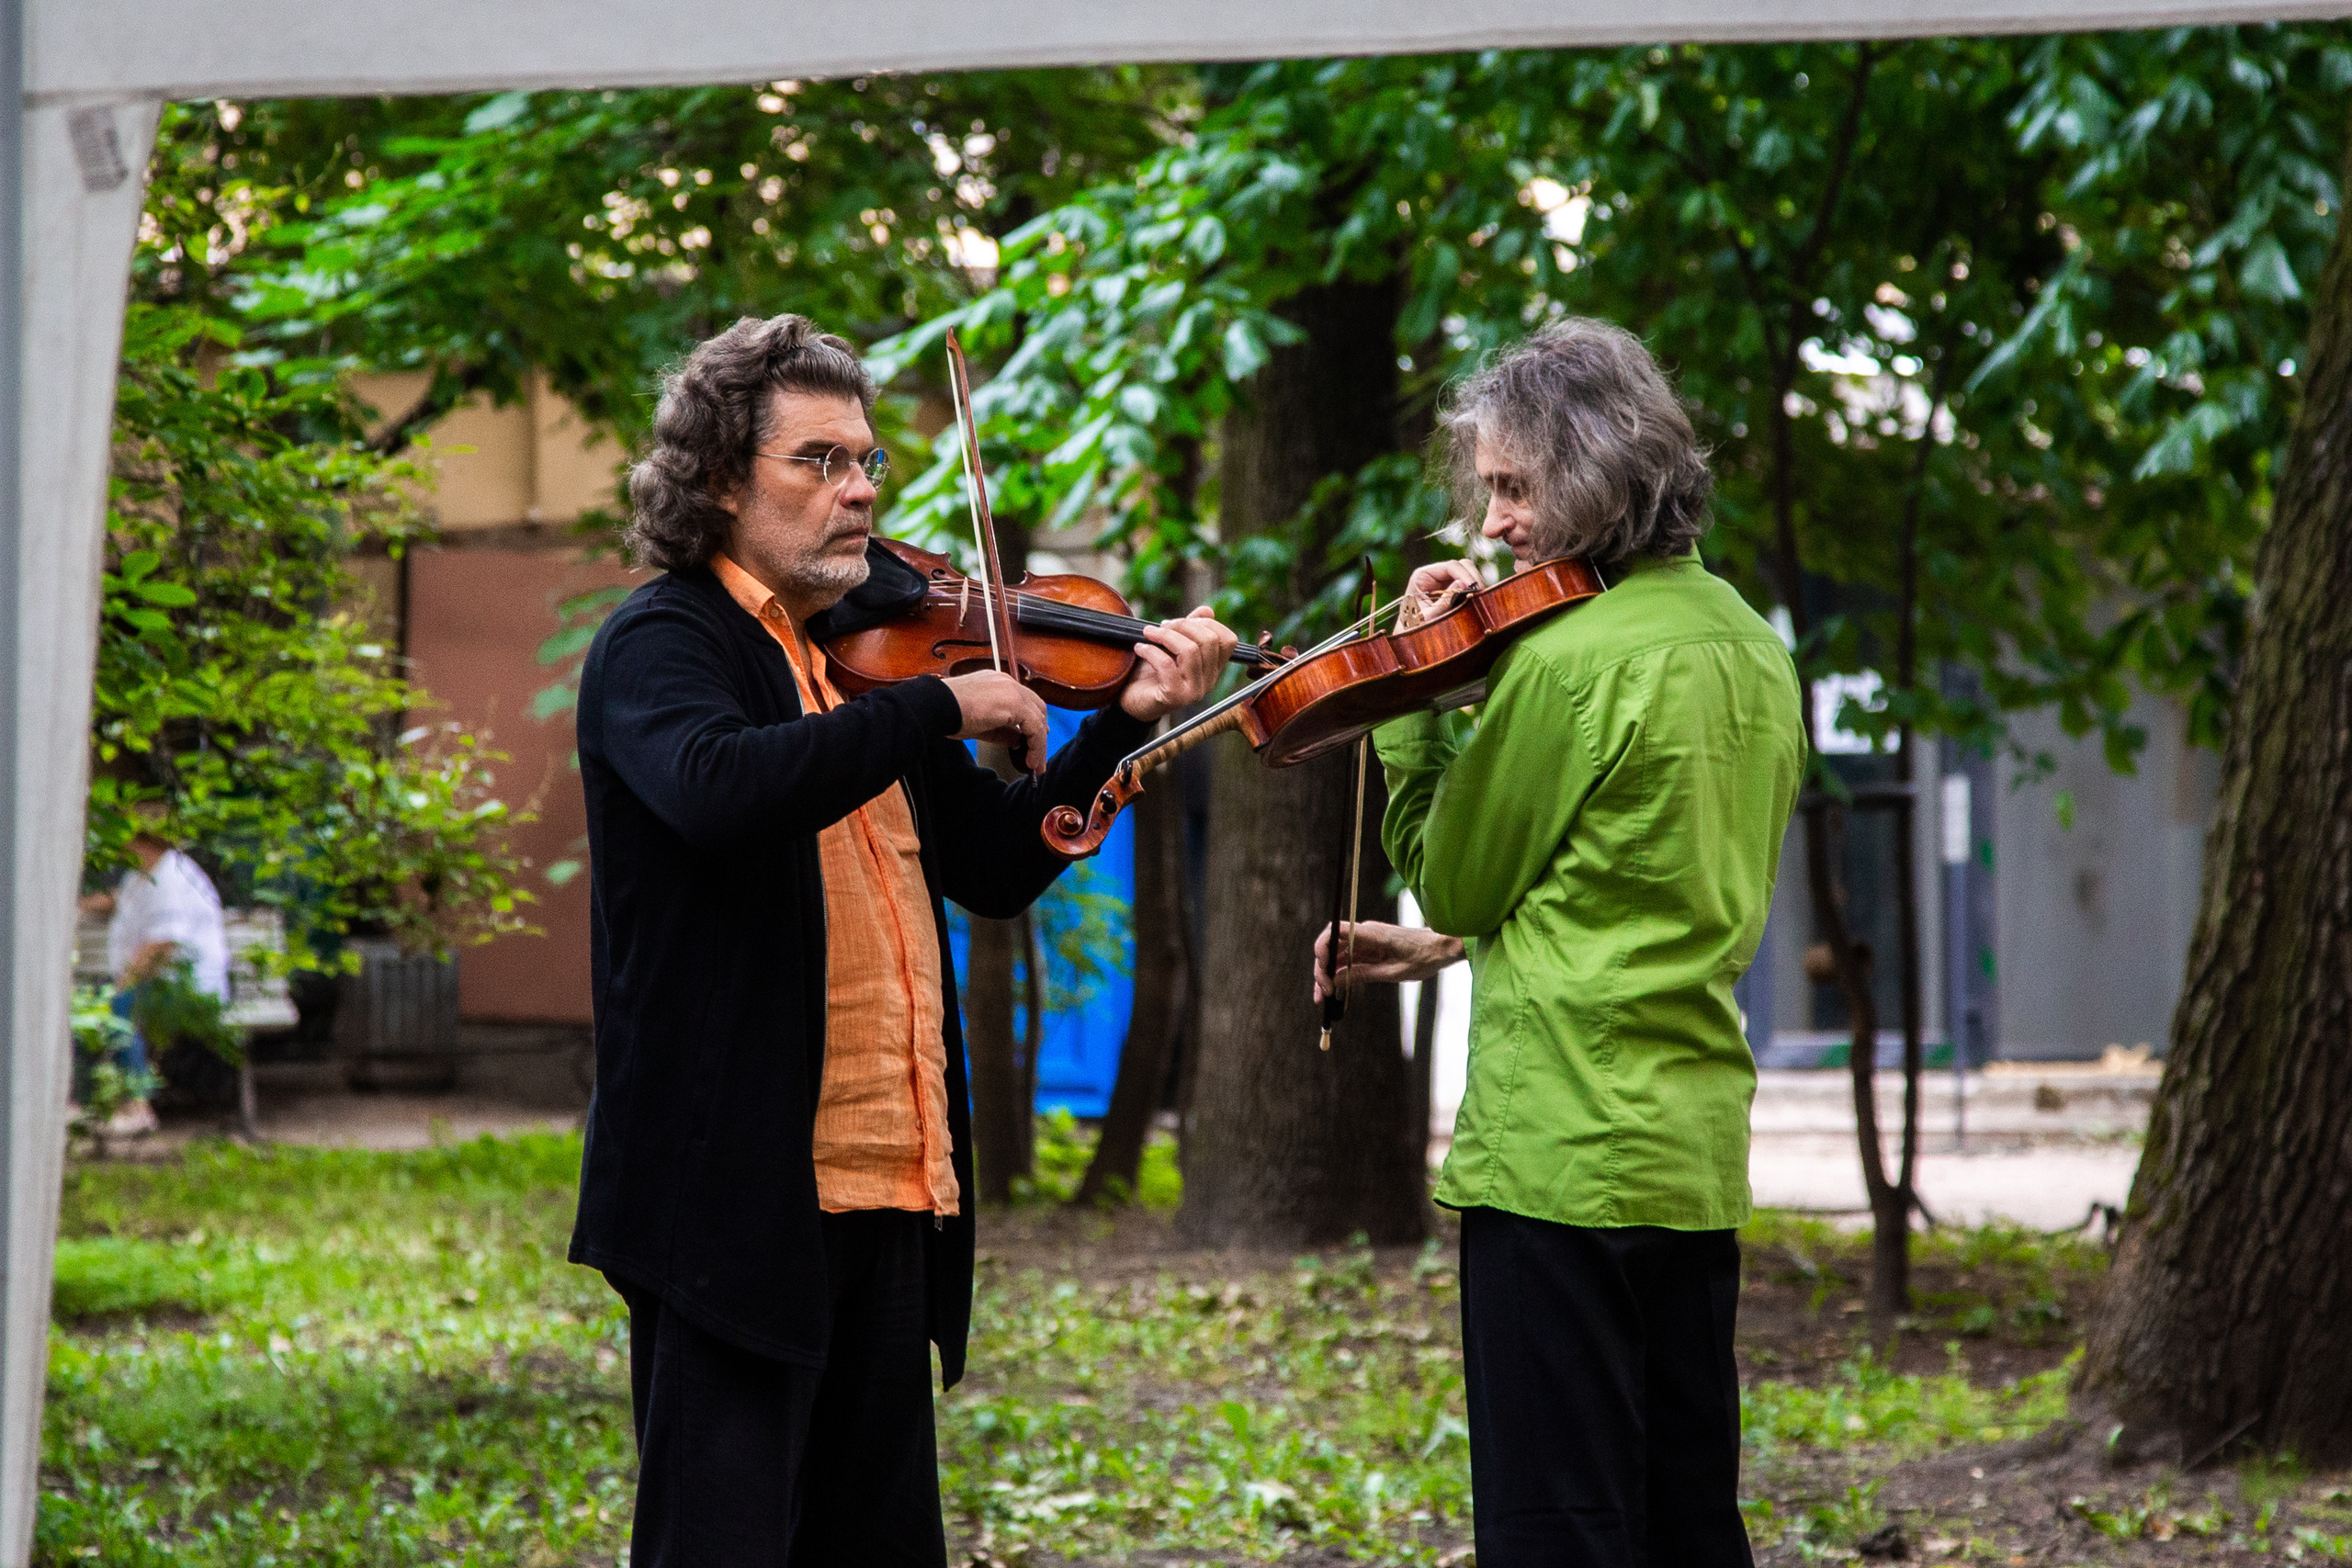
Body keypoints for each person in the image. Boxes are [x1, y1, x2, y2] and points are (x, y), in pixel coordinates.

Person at [568, 312, 1235, 1568]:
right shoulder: (665, 640)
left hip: (889, 1184)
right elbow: (718, 784)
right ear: (720, 478)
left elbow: (992, 865)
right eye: (817, 461)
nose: (862, 487)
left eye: (868, 460)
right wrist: (947, 698)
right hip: (733, 1198)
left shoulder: (855, 673)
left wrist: (1113, 727)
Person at [1314, 319, 1804, 1567]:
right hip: (1690, 1148)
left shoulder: (1565, 662)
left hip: (1556, 1155)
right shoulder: (1755, 646)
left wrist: (1416, 708)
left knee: (1559, 1525)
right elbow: (1640, 889)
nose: (1489, 523)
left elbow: (1459, 874)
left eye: (1514, 485)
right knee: (1687, 1514)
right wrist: (1451, 954)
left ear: (1596, 472)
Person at [77, 813, 231, 1137]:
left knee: (120, 1008)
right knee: (91, 1006)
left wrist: (124, 983)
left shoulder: (172, 878)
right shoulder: (144, 874)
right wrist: (79, 906)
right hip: (161, 986)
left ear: (141, 840)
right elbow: (121, 902)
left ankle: (136, 1106)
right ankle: (86, 1103)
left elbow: (162, 943)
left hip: (190, 992)